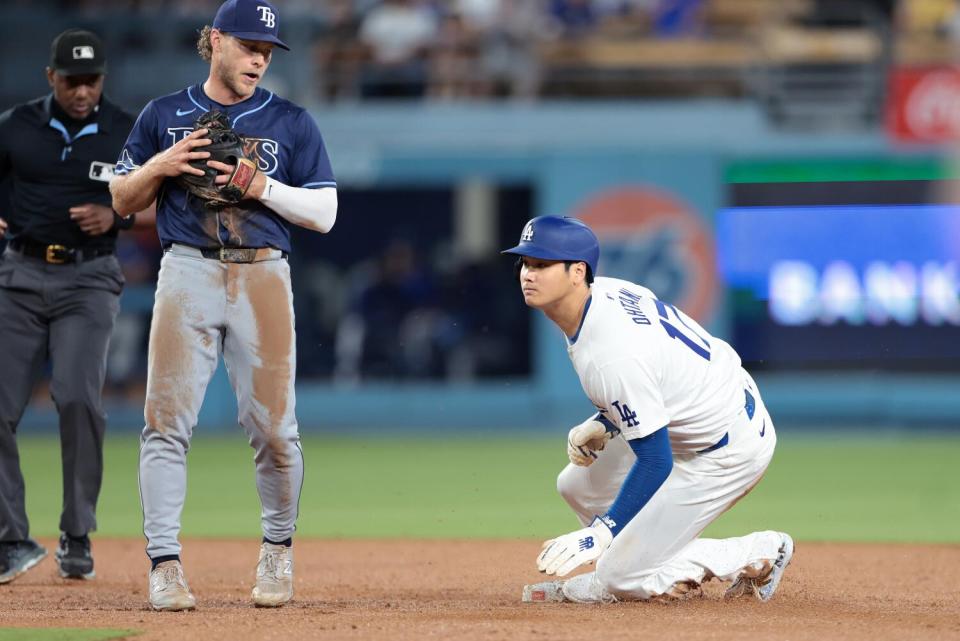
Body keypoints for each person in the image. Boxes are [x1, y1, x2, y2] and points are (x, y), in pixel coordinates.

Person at [110, 0, 337, 612]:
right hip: (187, 270)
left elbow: (325, 213)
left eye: (267, 50)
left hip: (264, 275)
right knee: (165, 424)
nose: (259, 58)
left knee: (274, 431)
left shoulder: (291, 121)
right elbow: (122, 200)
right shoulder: (164, 114)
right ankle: (164, 564)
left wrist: (257, 184)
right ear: (213, 41)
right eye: (248, 45)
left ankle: (277, 549)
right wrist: (161, 163)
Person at [503, 215, 794, 604]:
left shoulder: (609, 354)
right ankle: (637, 565)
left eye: (541, 264)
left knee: (620, 577)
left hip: (728, 448)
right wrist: (608, 423)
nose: (528, 273)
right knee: (575, 485)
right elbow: (660, 369)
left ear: (577, 272)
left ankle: (760, 551)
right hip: (707, 401)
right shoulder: (602, 294)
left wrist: (603, 532)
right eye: (525, 263)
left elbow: (657, 460)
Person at [0, 29, 151, 585]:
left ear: (102, 80)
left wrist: (119, 217)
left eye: (92, 81)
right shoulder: (16, 126)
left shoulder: (125, 130)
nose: (83, 91)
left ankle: (77, 532)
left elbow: (160, 195)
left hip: (89, 277)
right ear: (51, 78)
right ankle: (11, 539)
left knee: (79, 400)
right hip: (18, 274)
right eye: (72, 81)